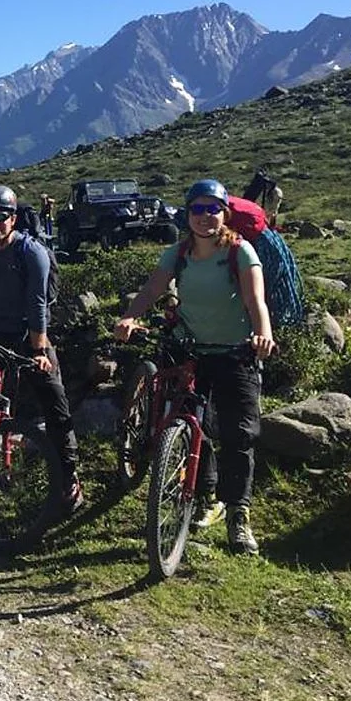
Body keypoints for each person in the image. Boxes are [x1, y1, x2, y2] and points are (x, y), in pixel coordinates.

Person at [114, 178, 276, 555]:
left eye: (213, 209)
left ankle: (239, 513)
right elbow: (154, 289)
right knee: (189, 424)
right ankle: (207, 497)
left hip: (236, 351)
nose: (205, 217)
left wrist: (263, 335)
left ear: (225, 213)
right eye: (198, 210)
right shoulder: (179, 252)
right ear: (187, 215)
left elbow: (256, 301)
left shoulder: (241, 252)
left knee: (239, 434)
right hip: (190, 350)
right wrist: (129, 317)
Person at [0, 184, 81, 509]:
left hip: (27, 335)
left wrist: (39, 352)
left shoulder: (31, 252)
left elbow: (37, 304)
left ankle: (69, 477)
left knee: (55, 400)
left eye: (4, 216)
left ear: (14, 218)